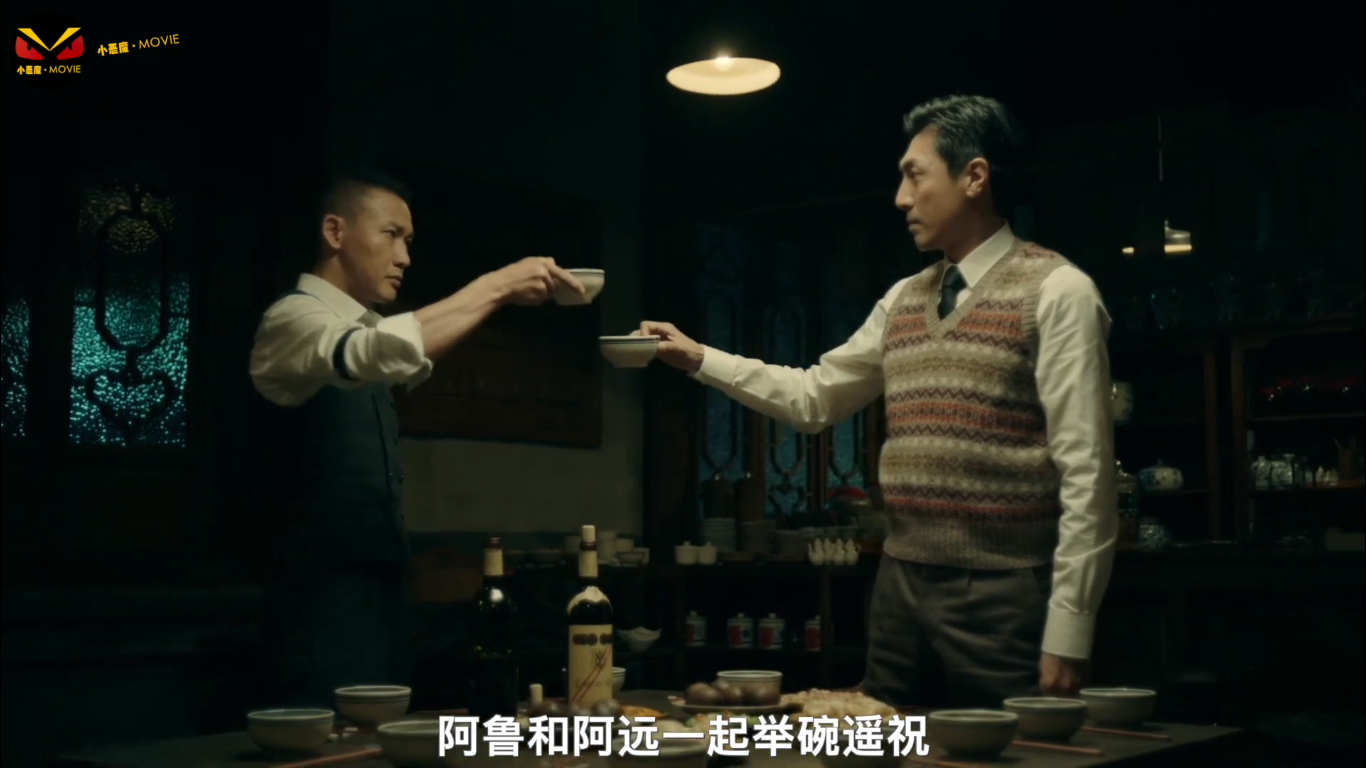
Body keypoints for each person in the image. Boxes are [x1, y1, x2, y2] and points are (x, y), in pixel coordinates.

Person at [638, 95, 1116, 708]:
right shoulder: (903, 299)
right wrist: (699, 358)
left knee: (1010, 750)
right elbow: (814, 397)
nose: (900, 198)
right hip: (898, 588)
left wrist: (1071, 627)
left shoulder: (1057, 291)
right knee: (885, 739)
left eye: (915, 175)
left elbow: (1088, 472)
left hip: (1005, 594)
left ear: (975, 176)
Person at [249, 168, 585, 708]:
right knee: (334, 740)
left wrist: (497, 299)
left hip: (381, 588)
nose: (404, 257)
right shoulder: (294, 319)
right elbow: (379, 351)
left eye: (408, 241)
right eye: (390, 235)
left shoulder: (365, 326)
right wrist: (496, 284)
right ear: (335, 232)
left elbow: (407, 354)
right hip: (318, 597)